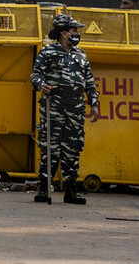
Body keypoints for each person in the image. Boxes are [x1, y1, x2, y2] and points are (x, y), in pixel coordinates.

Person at [30, 13, 100, 204]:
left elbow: (89, 82)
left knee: (73, 148)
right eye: (74, 30)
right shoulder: (47, 52)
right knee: (50, 148)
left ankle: (71, 191)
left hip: (75, 108)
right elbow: (35, 75)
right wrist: (40, 85)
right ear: (63, 33)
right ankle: (44, 189)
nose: (77, 33)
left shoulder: (81, 54)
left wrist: (94, 104)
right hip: (53, 106)